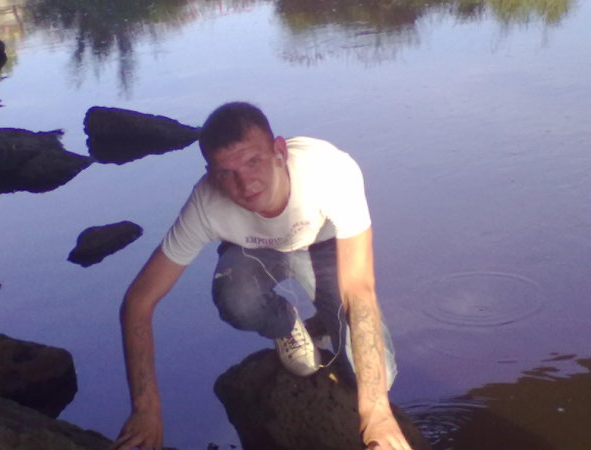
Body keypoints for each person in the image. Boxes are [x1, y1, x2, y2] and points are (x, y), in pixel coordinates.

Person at [112, 102, 413, 450]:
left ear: (279, 151)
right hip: (254, 249)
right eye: (228, 172)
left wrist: (376, 411)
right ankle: (287, 325)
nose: (246, 183)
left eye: (254, 161)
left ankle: (324, 322)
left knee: (377, 377)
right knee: (237, 300)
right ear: (212, 174)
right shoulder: (206, 204)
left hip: (324, 244)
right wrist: (146, 409)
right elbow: (139, 301)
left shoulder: (330, 172)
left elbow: (358, 289)